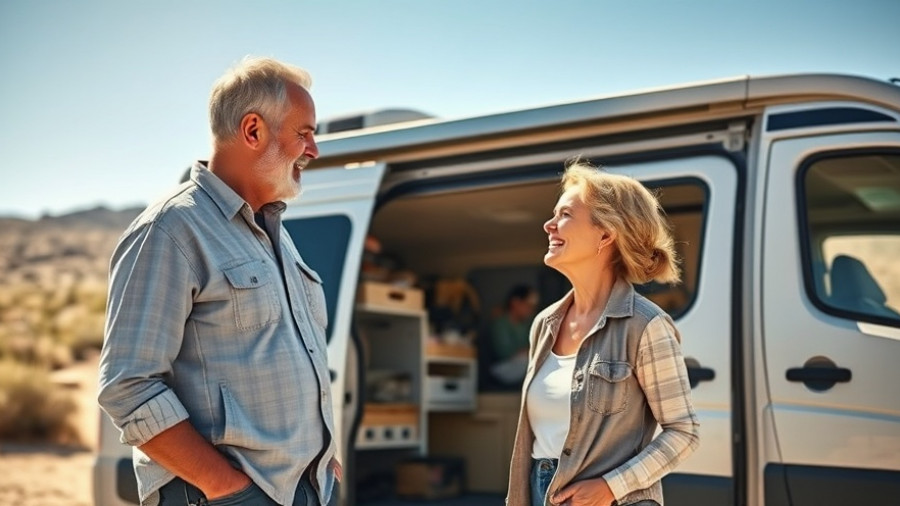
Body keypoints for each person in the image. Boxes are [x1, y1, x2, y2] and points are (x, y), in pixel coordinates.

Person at [98, 57, 340, 506]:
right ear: (253, 130)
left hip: (301, 491)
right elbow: (128, 386)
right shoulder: (170, 230)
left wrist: (321, 461)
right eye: (304, 133)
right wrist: (227, 488)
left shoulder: (275, 235)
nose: (314, 150)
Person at [506, 161, 700, 506]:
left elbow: (684, 432)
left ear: (606, 235)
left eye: (565, 214)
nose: (548, 225)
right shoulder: (544, 324)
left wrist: (611, 487)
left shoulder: (646, 325)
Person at [489, 284, 538, 385]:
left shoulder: (525, 325)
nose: (531, 310)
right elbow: (504, 352)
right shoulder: (501, 324)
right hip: (503, 367)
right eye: (528, 305)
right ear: (516, 302)